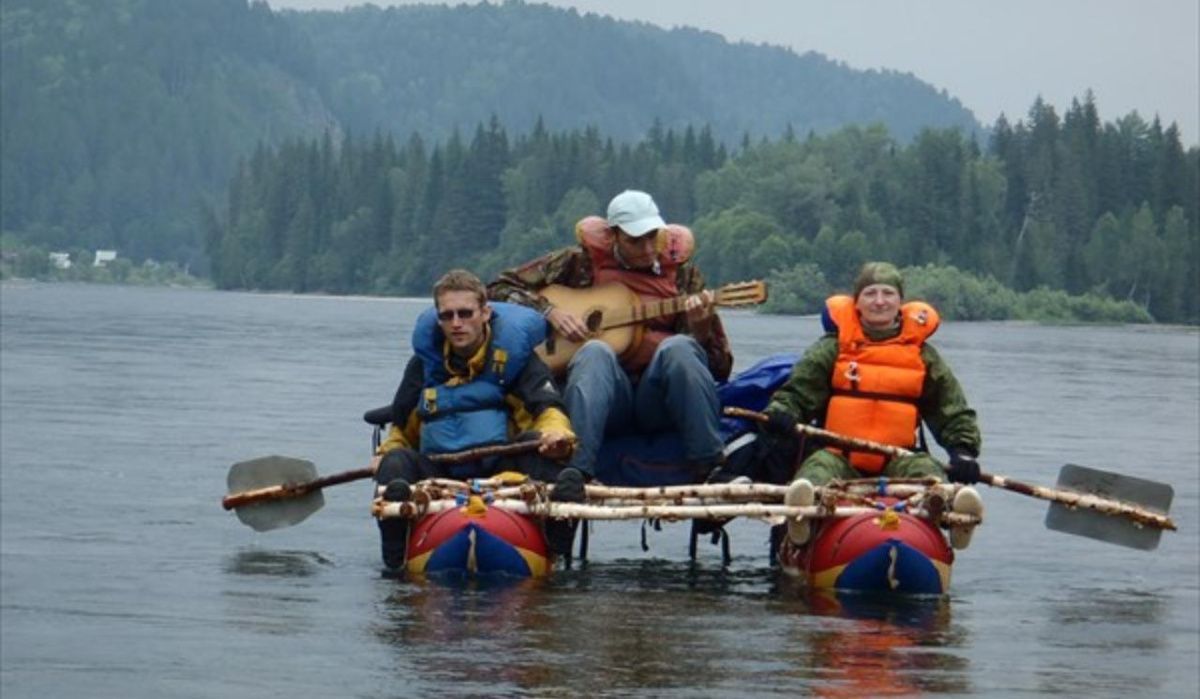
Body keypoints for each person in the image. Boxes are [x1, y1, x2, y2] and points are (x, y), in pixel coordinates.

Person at [487, 190, 734, 486]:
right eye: (634, 240)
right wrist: (550, 312)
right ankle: (574, 472)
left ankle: (709, 466)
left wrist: (701, 329)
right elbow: (498, 288)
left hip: (657, 399)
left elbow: (721, 367)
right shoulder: (577, 263)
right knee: (595, 351)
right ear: (614, 236)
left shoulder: (684, 275)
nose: (646, 248)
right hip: (605, 399)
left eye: (652, 236)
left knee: (679, 347)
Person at [760, 262, 984, 549]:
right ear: (857, 302)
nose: (879, 301)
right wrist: (782, 412)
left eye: (888, 293)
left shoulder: (923, 356)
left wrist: (963, 452)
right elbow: (798, 392)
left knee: (929, 475)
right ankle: (801, 523)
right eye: (870, 294)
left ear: (900, 301)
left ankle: (953, 517)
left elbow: (951, 409)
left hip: (899, 458)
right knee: (814, 474)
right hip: (838, 457)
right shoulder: (833, 348)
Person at [373, 269, 583, 571]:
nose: (456, 323)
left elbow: (548, 410)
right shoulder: (423, 365)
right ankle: (395, 550)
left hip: (501, 473)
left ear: (485, 312)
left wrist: (556, 437)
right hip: (438, 472)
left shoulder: (516, 358)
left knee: (538, 448)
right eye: (447, 316)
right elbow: (402, 430)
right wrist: (385, 455)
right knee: (395, 462)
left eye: (465, 313)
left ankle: (557, 538)